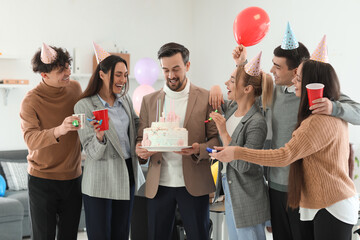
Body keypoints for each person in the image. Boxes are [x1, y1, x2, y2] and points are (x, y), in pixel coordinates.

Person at [210, 25, 360, 240]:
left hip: (304, 188)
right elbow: (245, 90)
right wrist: (225, 79)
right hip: (275, 185)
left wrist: (332, 107)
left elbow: (286, 155)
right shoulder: (275, 91)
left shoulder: (319, 97)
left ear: (298, 70)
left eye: (278, 67)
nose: (272, 71)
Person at [135, 42, 219, 240]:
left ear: (187, 66)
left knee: (199, 236)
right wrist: (141, 151)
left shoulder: (206, 97)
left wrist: (200, 149)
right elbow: (141, 139)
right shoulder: (149, 101)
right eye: (165, 70)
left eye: (176, 69)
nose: (171, 75)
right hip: (159, 185)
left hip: (194, 184)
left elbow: (216, 139)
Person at [74, 44, 145, 240]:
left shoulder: (125, 100)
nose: (123, 80)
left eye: (125, 75)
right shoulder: (85, 105)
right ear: (102, 74)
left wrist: (146, 137)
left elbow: (137, 124)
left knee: (121, 234)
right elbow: (93, 152)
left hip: (127, 175)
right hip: (100, 181)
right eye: (118, 74)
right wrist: (99, 137)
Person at [20, 43, 82, 239]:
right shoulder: (31, 100)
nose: (67, 72)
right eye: (61, 70)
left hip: (73, 178)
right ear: (44, 75)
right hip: (42, 180)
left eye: (67, 67)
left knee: (69, 236)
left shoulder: (75, 88)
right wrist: (60, 129)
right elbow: (30, 139)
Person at [209, 51, 273, 240]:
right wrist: (214, 87)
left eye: (231, 80)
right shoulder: (231, 109)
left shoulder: (257, 122)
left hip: (248, 197)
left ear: (247, 89)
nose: (226, 84)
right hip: (229, 193)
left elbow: (244, 165)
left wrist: (223, 133)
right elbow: (214, 100)